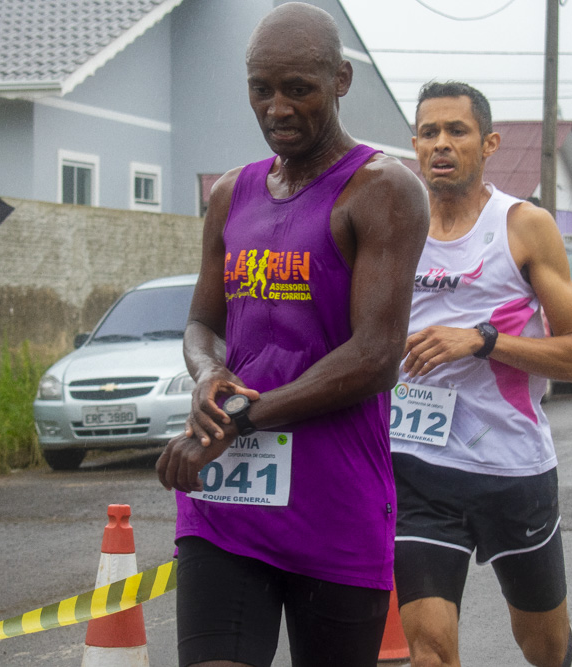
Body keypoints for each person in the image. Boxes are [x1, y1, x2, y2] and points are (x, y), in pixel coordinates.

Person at [154, 4, 429, 666]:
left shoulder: (383, 189)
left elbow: (375, 355)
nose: (277, 107)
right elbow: (201, 324)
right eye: (261, 89)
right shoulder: (231, 193)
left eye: (298, 88)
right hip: (227, 500)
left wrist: (240, 416)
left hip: (335, 503)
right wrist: (208, 375)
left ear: (341, 80)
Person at [390, 81, 572, 667]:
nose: (442, 144)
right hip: (419, 465)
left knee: (545, 647)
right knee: (429, 648)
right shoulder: (395, 230)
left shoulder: (523, 226)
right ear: (415, 146)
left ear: (489, 143)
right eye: (429, 133)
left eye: (457, 131)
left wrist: (482, 342)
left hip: (512, 468)